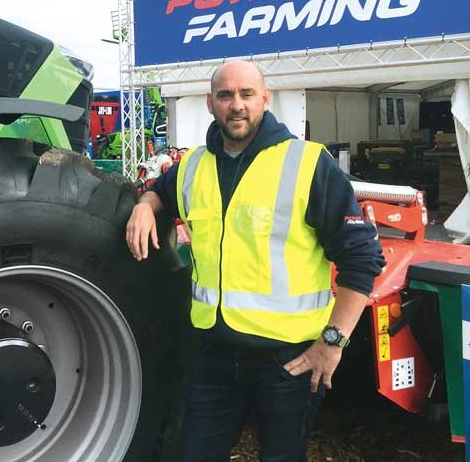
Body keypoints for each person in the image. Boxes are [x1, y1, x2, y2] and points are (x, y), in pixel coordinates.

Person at [126, 60, 385, 462]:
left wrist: (332, 343)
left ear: (265, 99)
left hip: (288, 361)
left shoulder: (308, 164)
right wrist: (145, 204)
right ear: (211, 103)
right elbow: (159, 189)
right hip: (212, 354)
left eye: (247, 94)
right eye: (226, 95)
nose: (237, 105)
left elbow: (363, 259)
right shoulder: (193, 166)